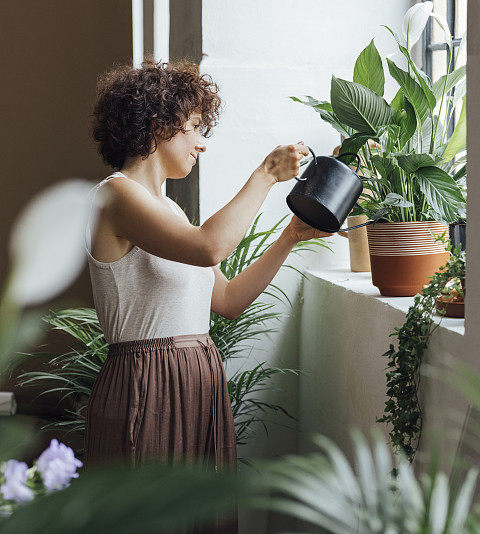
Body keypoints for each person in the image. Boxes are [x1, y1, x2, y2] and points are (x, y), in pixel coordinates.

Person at [82, 59, 331, 533]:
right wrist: (266, 173)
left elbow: (229, 299)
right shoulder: (115, 196)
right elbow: (210, 246)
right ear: (158, 125)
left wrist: (290, 237)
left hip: (196, 381)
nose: (202, 142)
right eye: (195, 127)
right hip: (146, 385)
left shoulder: (170, 208)